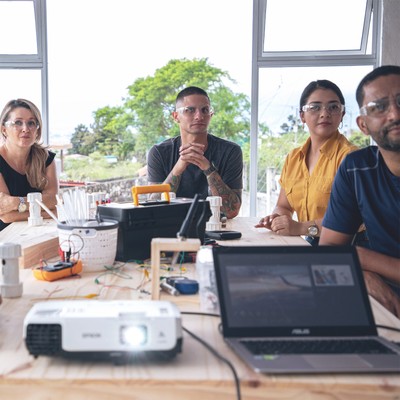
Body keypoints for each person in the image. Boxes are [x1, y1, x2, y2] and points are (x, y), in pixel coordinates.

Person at [320, 65, 400, 317]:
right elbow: (330, 251)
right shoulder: (357, 168)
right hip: (385, 300)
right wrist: (362, 273)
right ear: (363, 125)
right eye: (379, 107)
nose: (394, 114)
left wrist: (360, 258)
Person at [256, 80, 358, 245]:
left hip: (351, 246)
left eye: (333, 107)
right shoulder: (294, 158)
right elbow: (284, 206)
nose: (325, 113)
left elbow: (348, 220)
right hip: (312, 242)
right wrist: (277, 219)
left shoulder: (350, 158)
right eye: (315, 107)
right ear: (302, 116)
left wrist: (301, 228)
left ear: (342, 114)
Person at [147, 86, 243, 219]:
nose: (199, 116)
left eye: (205, 110)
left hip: (217, 227)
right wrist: (178, 168)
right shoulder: (159, 152)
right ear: (176, 116)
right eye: (190, 110)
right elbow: (152, 207)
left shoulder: (230, 151)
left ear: (211, 115)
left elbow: (231, 211)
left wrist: (208, 169)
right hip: (169, 226)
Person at [0, 98, 58, 231]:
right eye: (18, 123)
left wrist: (17, 202)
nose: (25, 129)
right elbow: (5, 215)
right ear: (4, 129)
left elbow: (52, 201)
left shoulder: (46, 159)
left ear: (37, 130)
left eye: (31, 123)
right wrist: (45, 213)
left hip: (37, 234)